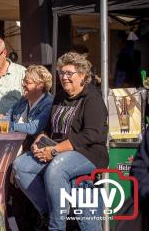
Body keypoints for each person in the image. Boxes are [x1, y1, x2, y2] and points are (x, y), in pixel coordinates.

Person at [13, 52, 109, 231]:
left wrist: (55, 150)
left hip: (87, 154)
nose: (64, 77)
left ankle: (56, 225)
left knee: (57, 166)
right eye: (61, 73)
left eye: (69, 73)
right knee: (21, 165)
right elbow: (50, 127)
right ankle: (49, 211)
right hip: (58, 150)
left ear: (82, 75)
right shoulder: (60, 96)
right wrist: (40, 139)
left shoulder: (92, 99)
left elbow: (91, 135)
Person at [10, 65, 53, 151]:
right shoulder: (24, 99)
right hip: (15, 142)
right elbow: (9, 114)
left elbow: (33, 128)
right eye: (23, 81)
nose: (23, 85)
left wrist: (9, 126)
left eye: (28, 82)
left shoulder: (48, 103)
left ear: (40, 86)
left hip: (35, 148)